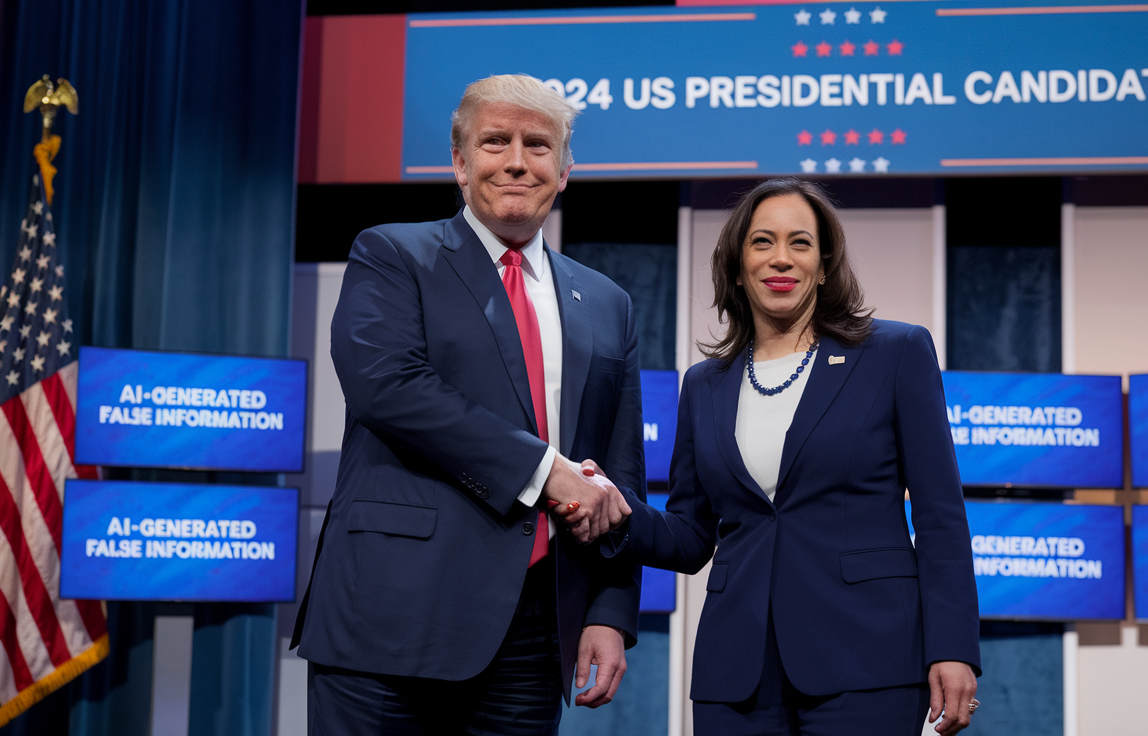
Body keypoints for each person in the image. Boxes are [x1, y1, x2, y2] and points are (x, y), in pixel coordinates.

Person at [290, 74, 643, 735]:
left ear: (564, 170)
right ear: (459, 162)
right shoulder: (392, 253)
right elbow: (388, 388)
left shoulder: (606, 302)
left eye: (538, 145)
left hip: (534, 633)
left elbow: (618, 472)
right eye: (495, 141)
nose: (516, 160)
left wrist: (609, 612)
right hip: (389, 621)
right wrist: (546, 471)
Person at [608, 178, 981, 735]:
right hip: (736, 674)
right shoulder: (704, 384)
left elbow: (939, 515)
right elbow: (690, 536)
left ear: (825, 265)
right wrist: (612, 509)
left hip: (866, 660)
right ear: (736, 266)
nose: (781, 258)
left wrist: (953, 647)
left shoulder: (894, 353)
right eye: (762, 242)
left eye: (800, 243)